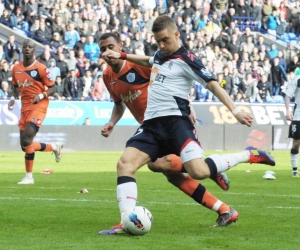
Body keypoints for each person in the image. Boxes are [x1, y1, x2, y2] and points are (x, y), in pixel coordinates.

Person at [99, 16, 275, 234]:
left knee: (197, 171)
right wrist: (123, 55)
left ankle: (247, 155)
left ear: (176, 34)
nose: (162, 46)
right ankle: (126, 221)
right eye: (158, 42)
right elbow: (149, 60)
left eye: (165, 40)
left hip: (176, 123)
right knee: (126, 164)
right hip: (151, 125)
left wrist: (235, 110)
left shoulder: (188, 59)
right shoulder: (158, 55)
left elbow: (212, 84)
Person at [7, 39, 63, 185]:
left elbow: (53, 88)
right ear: (22, 49)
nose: (27, 49)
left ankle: (29, 177)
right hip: (24, 108)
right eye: (24, 47)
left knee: (27, 139)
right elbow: (14, 86)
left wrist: (42, 95)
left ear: (33, 50)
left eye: (30, 47)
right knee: (24, 145)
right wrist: (13, 98)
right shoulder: (16, 68)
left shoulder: (41, 68)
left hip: (39, 106)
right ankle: (54, 147)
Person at [284, 75, 300, 177]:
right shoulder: (297, 79)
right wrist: (288, 110)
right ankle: (294, 170)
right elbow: (287, 95)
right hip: (298, 115)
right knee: (296, 143)